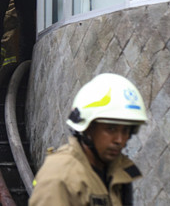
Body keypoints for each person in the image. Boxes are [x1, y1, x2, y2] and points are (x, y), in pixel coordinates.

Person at [30, 73, 148, 205]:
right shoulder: (60, 175)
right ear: (88, 129)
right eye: (111, 128)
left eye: (126, 130)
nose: (119, 140)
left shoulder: (117, 171)